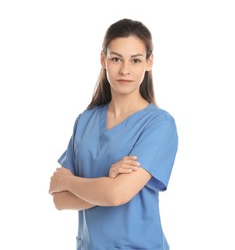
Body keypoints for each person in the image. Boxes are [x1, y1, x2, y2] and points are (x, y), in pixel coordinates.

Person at [49, 18, 178, 250]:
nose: (125, 70)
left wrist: (70, 181)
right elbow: (60, 199)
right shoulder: (85, 121)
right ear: (103, 59)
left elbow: (117, 195)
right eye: (116, 58)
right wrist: (106, 184)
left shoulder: (159, 125)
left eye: (135, 60)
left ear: (149, 63)